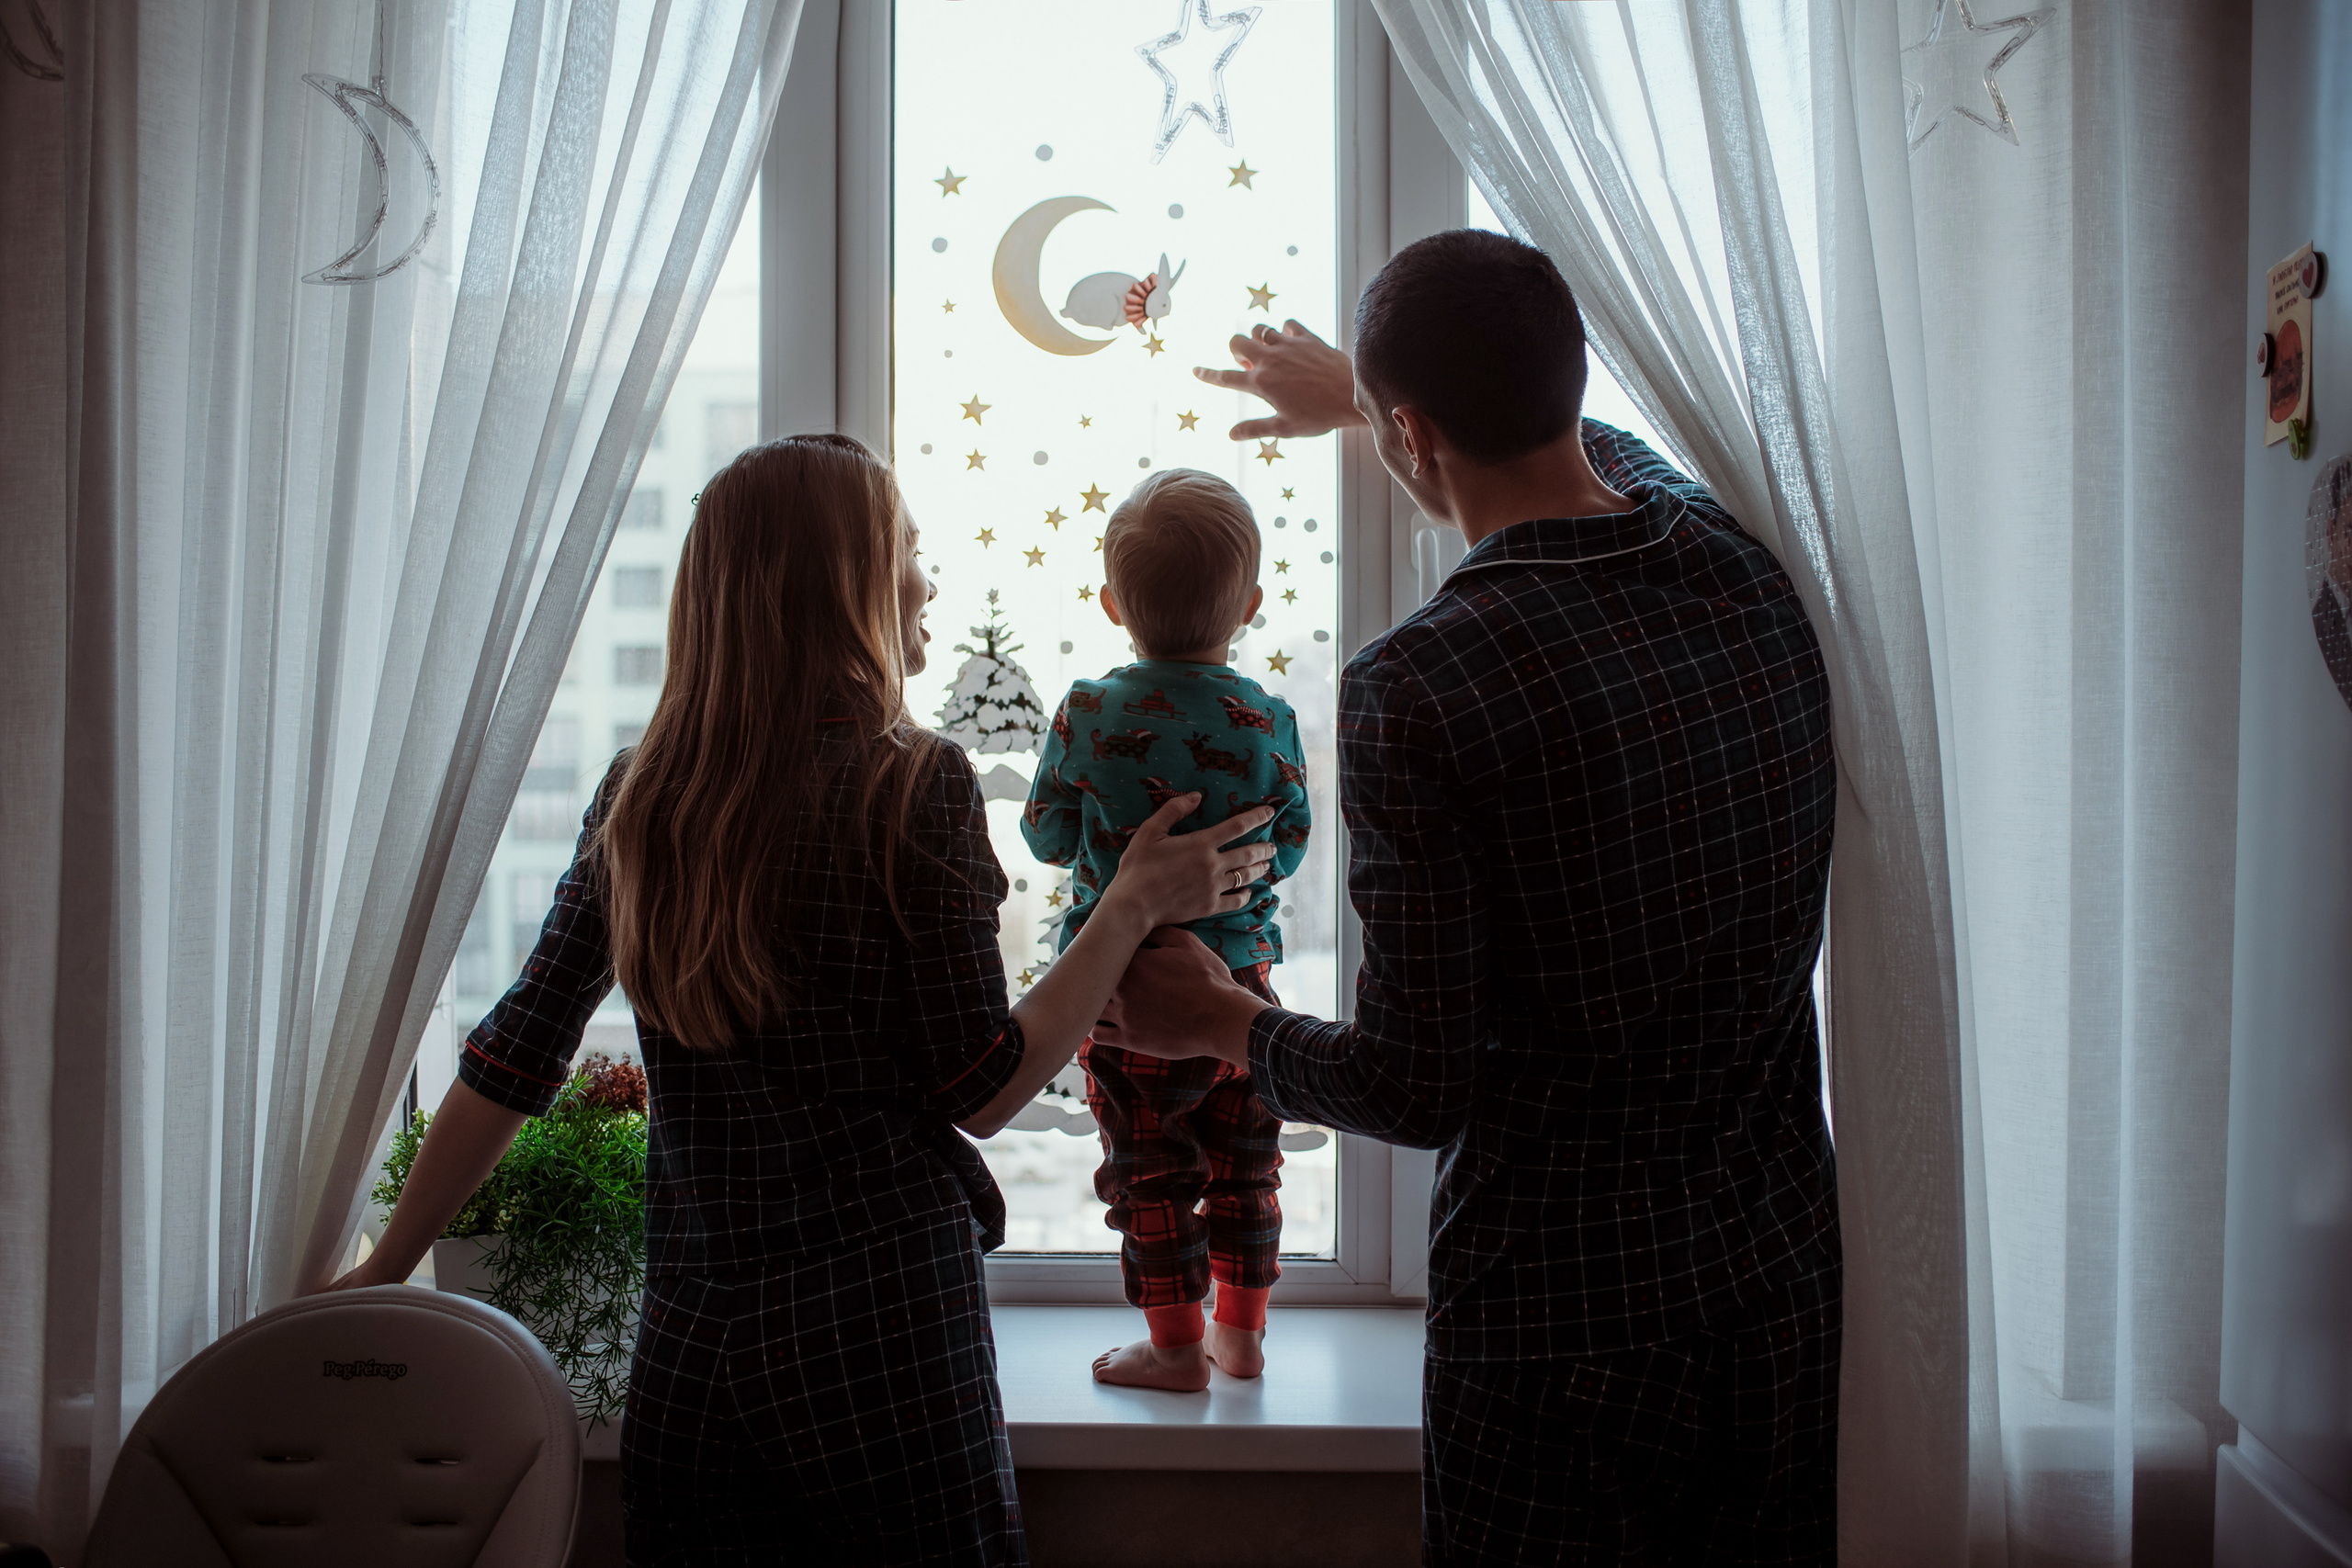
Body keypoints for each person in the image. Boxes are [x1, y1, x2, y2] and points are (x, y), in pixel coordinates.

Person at [324, 434, 1277, 1565]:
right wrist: (1124, 909)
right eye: (910, 553)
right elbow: (980, 1089)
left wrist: (381, 1269)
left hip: (693, 1344)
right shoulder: (910, 782)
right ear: (846, 584)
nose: (927, 581)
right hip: (881, 1334)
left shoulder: (643, 795)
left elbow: (514, 1053)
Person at [1098, 231, 1841, 1563]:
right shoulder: (1740, 561)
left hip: (1561, 1333)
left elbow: (1417, 1085)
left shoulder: (1419, 685)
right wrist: (1376, 403)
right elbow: (1598, 444)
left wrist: (1223, 1021)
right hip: (1774, 1282)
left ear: (1414, 432)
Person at [1019, 468, 1312, 1393]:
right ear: (1252, 605)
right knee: (1245, 1166)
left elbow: (1044, 833)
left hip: (1129, 1000)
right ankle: (1244, 1336)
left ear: (1112, 604)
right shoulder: (1270, 719)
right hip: (1240, 994)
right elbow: (1288, 849)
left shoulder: (1086, 711)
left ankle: (1176, 1348)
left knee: (1148, 1173)